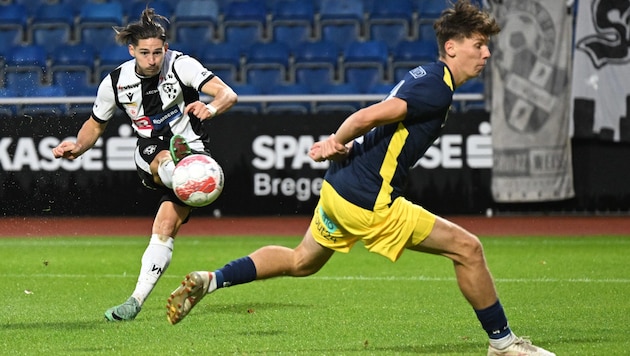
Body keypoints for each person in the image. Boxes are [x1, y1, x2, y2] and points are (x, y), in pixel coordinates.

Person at [166, 1, 554, 355]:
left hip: (341, 187)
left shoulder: (428, 76)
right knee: (468, 249)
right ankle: (504, 346)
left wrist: (343, 148)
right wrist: (335, 140)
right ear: (451, 47)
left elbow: (382, 128)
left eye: (487, 46)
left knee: (302, 260)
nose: (486, 53)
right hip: (368, 200)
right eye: (478, 44)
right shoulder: (436, 88)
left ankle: (211, 279)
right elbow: (369, 115)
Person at [52, 8, 237, 322]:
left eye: (157, 52)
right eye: (144, 53)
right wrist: (78, 146)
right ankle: (176, 167)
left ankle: (134, 302)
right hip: (150, 152)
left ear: (165, 48)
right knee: (162, 156)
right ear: (131, 50)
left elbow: (227, 93)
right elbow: (96, 124)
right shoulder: (115, 82)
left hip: (194, 152)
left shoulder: (181, 65)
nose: (152, 60)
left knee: (165, 228)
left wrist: (212, 108)